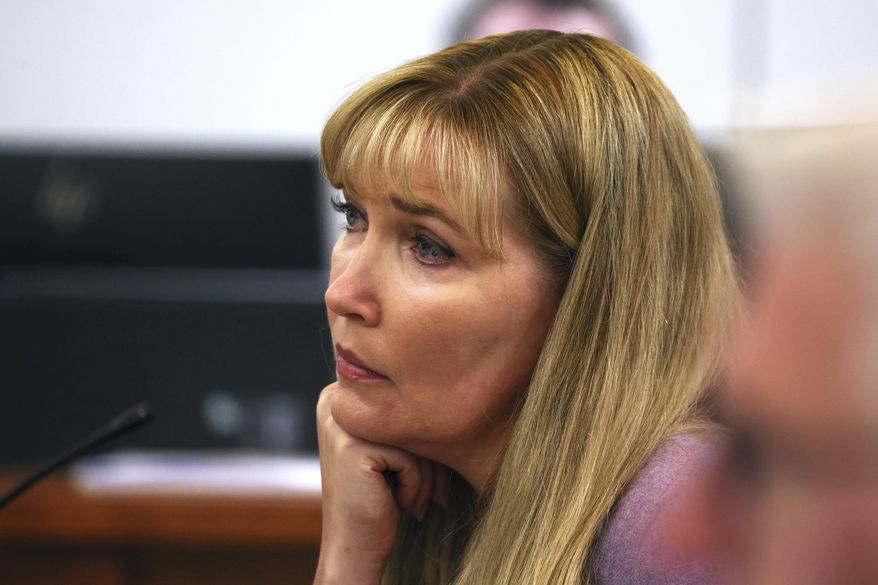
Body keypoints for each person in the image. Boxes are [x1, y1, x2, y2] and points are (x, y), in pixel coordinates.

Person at [314, 30, 737, 585]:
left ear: (586, 294)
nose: (343, 294)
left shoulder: (675, 524)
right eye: (354, 217)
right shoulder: (456, 497)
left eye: (429, 247)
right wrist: (348, 557)